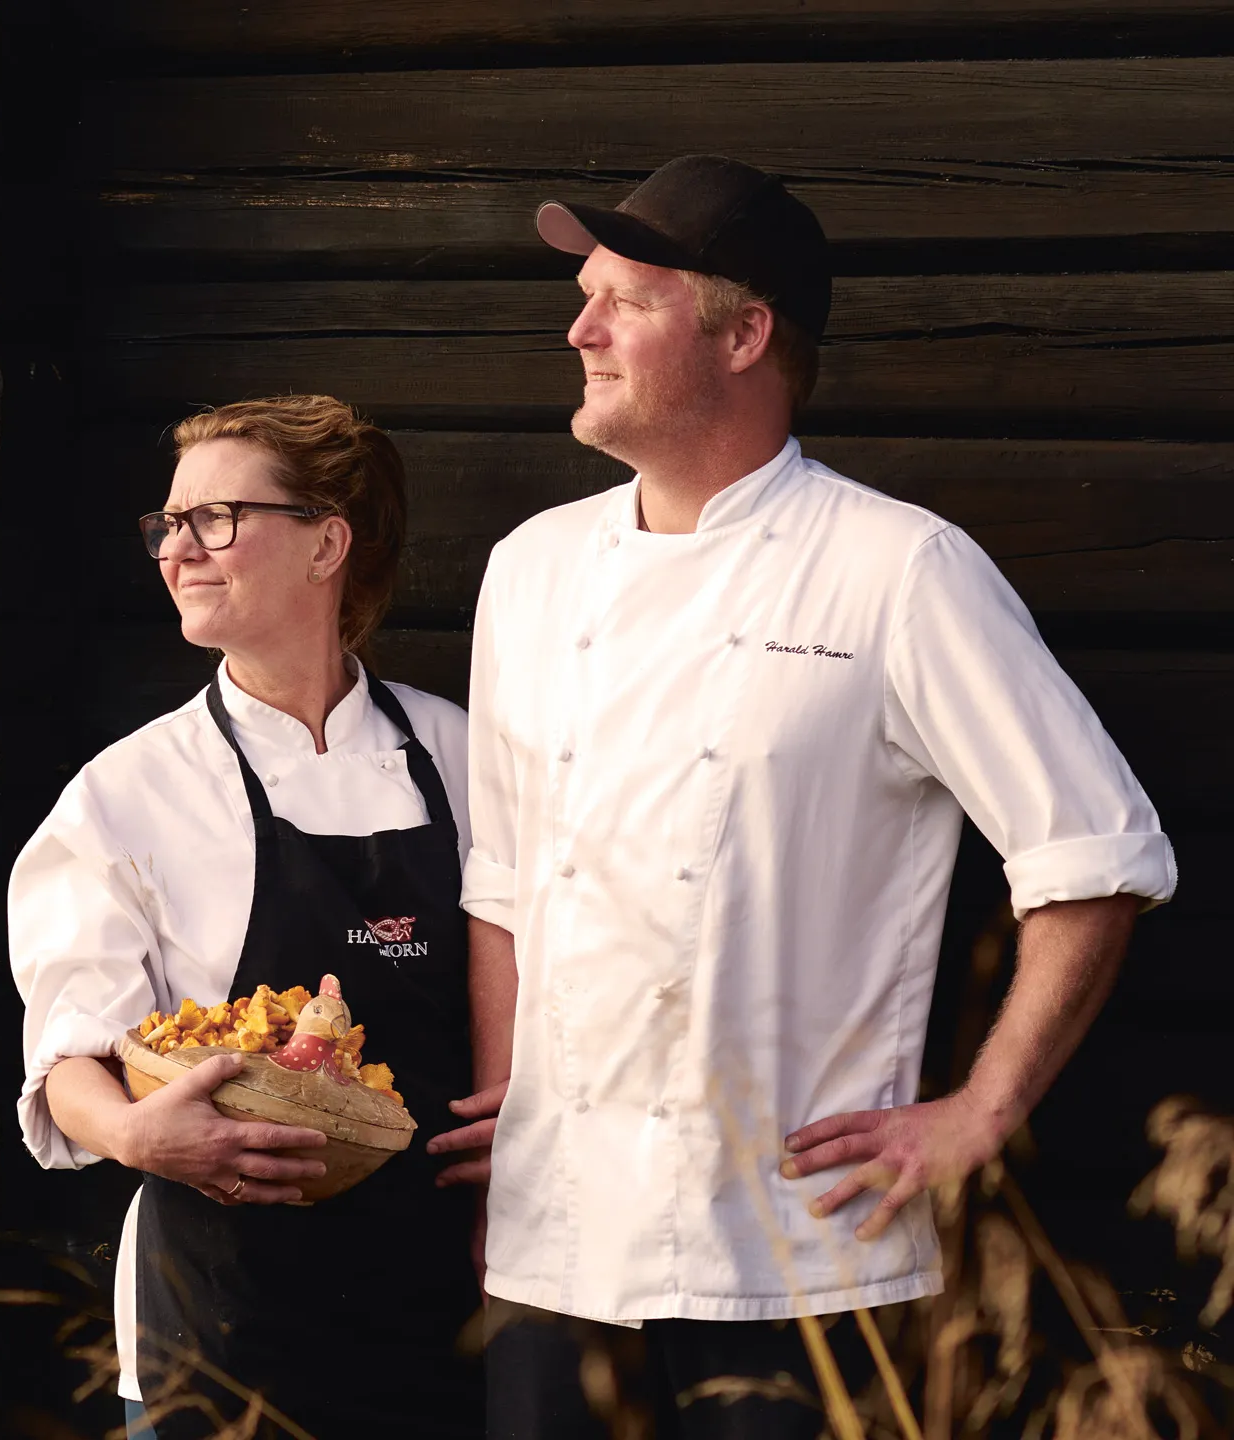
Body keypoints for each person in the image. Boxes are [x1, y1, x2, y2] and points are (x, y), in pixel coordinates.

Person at [429, 154, 1178, 1440]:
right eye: (583, 296)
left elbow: (1096, 855)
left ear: (746, 336)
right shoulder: (532, 570)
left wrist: (983, 1111)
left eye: (625, 301)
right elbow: (504, 877)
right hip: (556, 1244)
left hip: (799, 1247)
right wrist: (514, 1116)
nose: (580, 331)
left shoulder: (897, 568)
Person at [8, 396, 509, 1440]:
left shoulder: (464, 758)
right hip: (218, 1317)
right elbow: (69, 1057)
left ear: (328, 543)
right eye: (167, 524)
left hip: (450, 1307)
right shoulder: (128, 793)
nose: (177, 549)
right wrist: (139, 1135)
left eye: (216, 518)